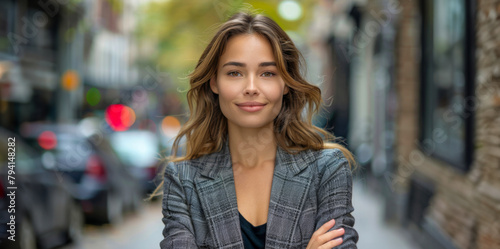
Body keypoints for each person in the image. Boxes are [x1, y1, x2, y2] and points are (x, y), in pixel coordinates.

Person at [153, 11, 358, 249]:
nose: (251, 87)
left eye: (267, 73)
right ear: (214, 82)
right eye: (235, 73)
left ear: (285, 84)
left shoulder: (327, 170)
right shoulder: (183, 180)